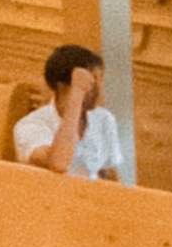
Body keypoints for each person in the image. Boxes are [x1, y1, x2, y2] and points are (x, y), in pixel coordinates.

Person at [14, 40, 123, 180]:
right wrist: (77, 92)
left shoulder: (103, 119)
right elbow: (58, 164)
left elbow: (110, 176)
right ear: (63, 85)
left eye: (100, 80)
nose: (99, 91)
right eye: (92, 81)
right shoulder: (30, 125)